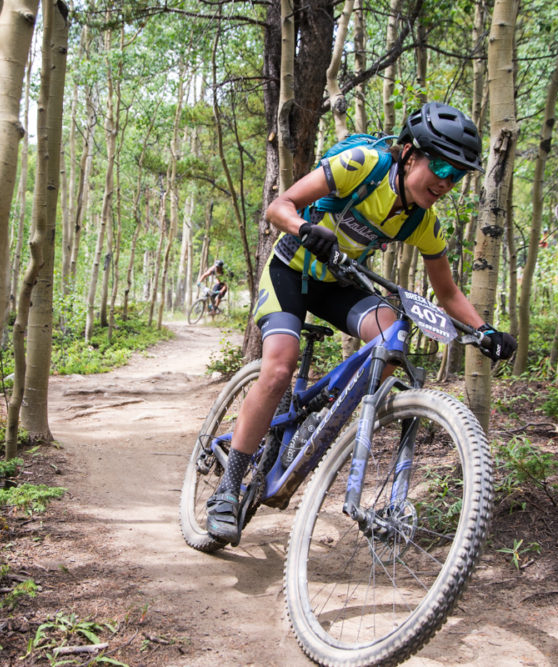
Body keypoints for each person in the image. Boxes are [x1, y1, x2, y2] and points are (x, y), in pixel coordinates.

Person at [205, 102, 517, 544]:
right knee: (278, 368)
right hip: (290, 270)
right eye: (442, 166)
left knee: (392, 339)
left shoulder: (421, 221)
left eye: (457, 175)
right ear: (410, 154)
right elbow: (279, 206)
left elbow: (447, 293)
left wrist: (485, 331)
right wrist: (302, 228)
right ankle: (226, 489)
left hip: (337, 283)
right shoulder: (362, 164)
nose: (446, 182)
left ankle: (318, 422)